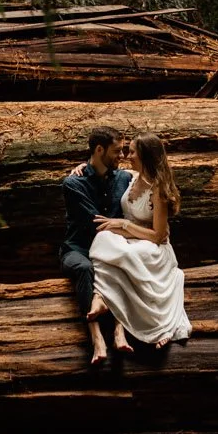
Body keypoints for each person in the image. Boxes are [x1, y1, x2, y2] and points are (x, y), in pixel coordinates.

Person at [86, 133, 191, 355]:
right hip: (128, 240)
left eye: (132, 152)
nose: (127, 155)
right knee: (103, 239)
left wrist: (124, 225)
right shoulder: (132, 176)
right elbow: (99, 167)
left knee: (126, 255)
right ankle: (102, 297)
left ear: (146, 156)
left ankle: (147, 323)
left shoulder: (158, 190)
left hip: (151, 247)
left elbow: (158, 236)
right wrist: (80, 167)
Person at [61, 126, 132, 366]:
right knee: (84, 269)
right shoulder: (74, 183)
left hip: (113, 249)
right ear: (99, 149)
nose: (121, 157)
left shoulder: (125, 178)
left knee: (124, 259)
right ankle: (96, 337)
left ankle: (119, 331)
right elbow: (95, 224)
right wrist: (122, 226)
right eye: (116, 151)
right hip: (78, 249)